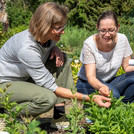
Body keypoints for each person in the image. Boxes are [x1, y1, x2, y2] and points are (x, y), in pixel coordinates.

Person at [0, 2, 111, 121]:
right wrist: (90, 98)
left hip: (24, 78)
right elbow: (53, 88)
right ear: (44, 26)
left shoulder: (49, 37)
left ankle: (59, 116)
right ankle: (8, 112)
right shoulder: (26, 49)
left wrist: (54, 48)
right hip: (5, 85)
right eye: (58, 28)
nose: (62, 32)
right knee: (47, 99)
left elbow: (45, 49)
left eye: (63, 27)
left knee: (64, 58)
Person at [76, 10, 134, 104]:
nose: (107, 34)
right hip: (89, 83)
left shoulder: (123, 39)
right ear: (97, 27)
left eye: (111, 30)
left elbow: (127, 67)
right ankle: (114, 103)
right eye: (103, 30)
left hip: (111, 81)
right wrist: (102, 87)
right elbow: (91, 76)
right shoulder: (89, 44)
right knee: (113, 95)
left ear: (117, 27)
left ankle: (123, 107)